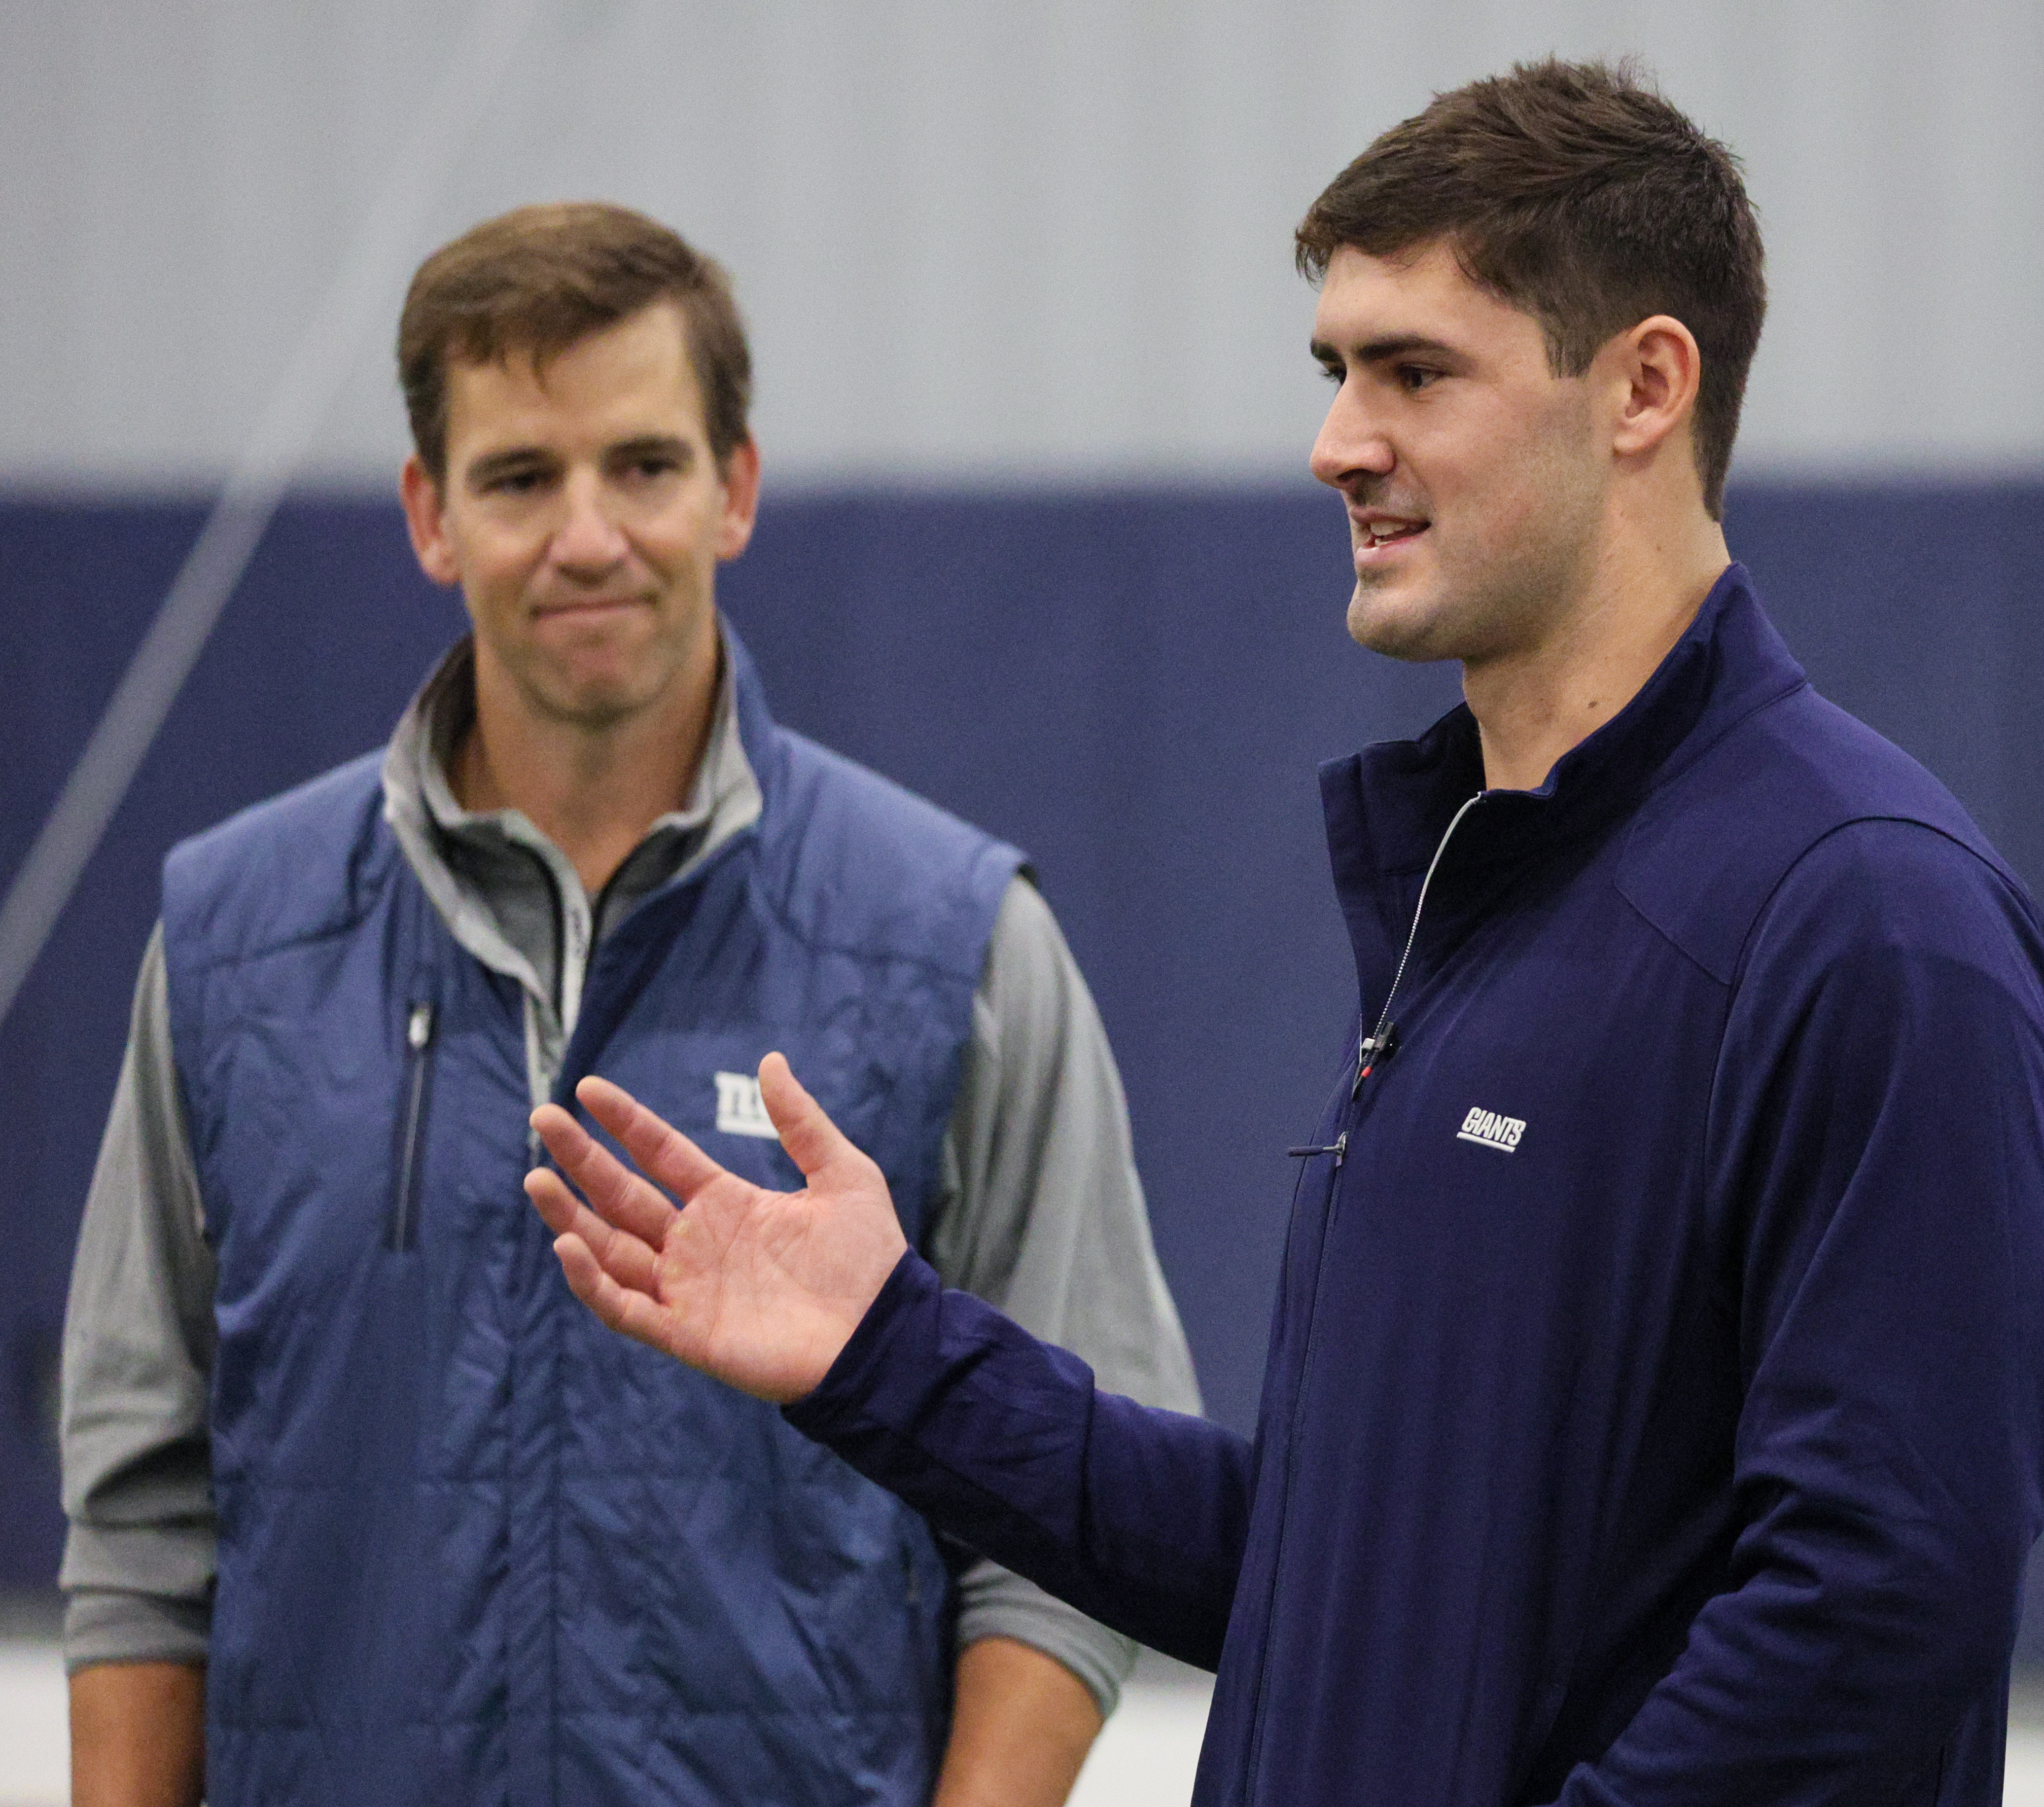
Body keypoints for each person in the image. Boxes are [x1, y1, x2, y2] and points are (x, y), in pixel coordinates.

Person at [523, 61, 2044, 1807]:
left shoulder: (1870, 918)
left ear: (1645, 385)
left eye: (1416, 371)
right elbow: (1338, 1574)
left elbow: (1881, 1608)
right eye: (1336, 371)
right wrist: (891, 1353)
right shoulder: (1482, 903)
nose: (1338, 440)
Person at [58, 202, 1199, 1807]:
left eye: (644, 466)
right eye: (520, 476)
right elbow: (141, 1518)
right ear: (428, 514)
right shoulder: (233, 942)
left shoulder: (953, 942)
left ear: (732, 489)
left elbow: (1070, 1515)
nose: (586, 533)